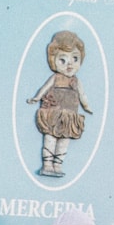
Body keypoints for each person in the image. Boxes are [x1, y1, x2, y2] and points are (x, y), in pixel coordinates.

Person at [26, 30, 93, 178]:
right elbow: (44, 89)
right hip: (54, 113)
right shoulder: (55, 78)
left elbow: (82, 95)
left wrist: (87, 106)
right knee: (50, 138)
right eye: (62, 60)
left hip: (70, 116)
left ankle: (58, 164)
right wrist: (36, 98)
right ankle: (47, 165)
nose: (69, 64)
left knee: (64, 141)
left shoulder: (76, 81)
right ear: (53, 61)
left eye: (75, 58)